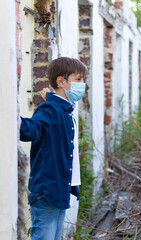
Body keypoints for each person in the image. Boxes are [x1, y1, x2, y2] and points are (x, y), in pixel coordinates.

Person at [19, 57, 88, 240]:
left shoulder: (63, 110)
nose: (83, 84)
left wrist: (49, 97)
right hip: (47, 191)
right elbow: (32, 129)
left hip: (59, 189)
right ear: (61, 81)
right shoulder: (50, 110)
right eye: (79, 79)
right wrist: (12, 118)